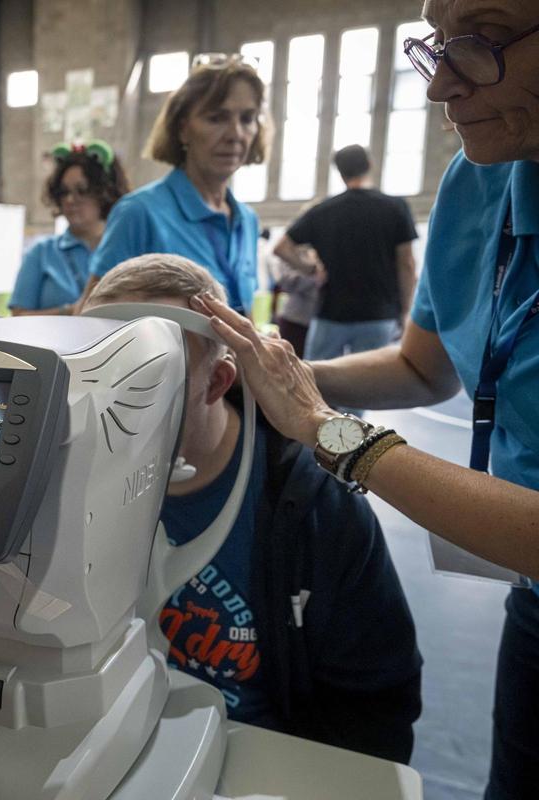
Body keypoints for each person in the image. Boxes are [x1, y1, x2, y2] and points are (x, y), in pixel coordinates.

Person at [197, 4, 539, 795]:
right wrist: (277, 370)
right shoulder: (484, 175)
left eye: (481, 44)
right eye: (435, 47)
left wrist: (327, 429)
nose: (441, 88)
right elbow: (427, 370)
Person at [84, 255, 421, 762]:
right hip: (117, 742)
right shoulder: (72, 482)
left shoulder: (314, 510)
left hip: (262, 758)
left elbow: (375, 709)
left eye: (144, 373)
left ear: (218, 382)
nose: (110, 402)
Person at [81, 54, 270, 315]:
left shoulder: (246, 220)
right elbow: (90, 317)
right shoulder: (139, 213)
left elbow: (242, 313)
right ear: (183, 129)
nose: (235, 134)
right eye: (216, 118)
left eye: (247, 119)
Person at [274, 145, 418, 388]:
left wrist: (310, 269)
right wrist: (405, 311)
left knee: (314, 384)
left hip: (331, 313)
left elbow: (281, 247)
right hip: (377, 314)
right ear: (370, 165)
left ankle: (316, 426)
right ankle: (354, 426)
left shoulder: (323, 210)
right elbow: (407, 264)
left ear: (339, 172)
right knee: (365, 388)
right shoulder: (395, 207)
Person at [9, 140, 129, 316]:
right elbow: (17, 317)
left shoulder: (125, 250)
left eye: (82, 190)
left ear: (105, 192)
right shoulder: (41, 253)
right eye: (64, 192)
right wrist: (69, 312)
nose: (70, 200)